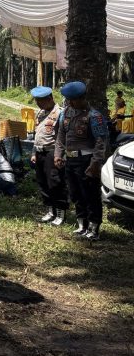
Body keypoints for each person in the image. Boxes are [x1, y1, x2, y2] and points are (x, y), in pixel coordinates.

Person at [54, 81, 108, 241]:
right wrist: (58, 154)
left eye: (74, 100)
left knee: (90, 194)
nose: (70, 103)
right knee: (75, 193)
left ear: (83, 98)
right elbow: (60, 136)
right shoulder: (65, 113)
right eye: (68, 100)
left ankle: (93, 227)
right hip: (70, 160)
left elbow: (100, 142)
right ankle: (81, 224)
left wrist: (95, 163)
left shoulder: (94, 116)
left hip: (87, 160)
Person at [29, 86, 67, 226]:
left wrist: (59, 155)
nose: (38, 103)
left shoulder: (60, 113)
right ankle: (50, 211)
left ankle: (60, 213)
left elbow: (62, 138)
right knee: (42, 182)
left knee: (55, 182)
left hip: (52, 152)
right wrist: (34, 153)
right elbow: (37, 135)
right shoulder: (40, 113)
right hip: (40, 152)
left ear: (50, 98)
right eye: (37, 101)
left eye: (41, 101)